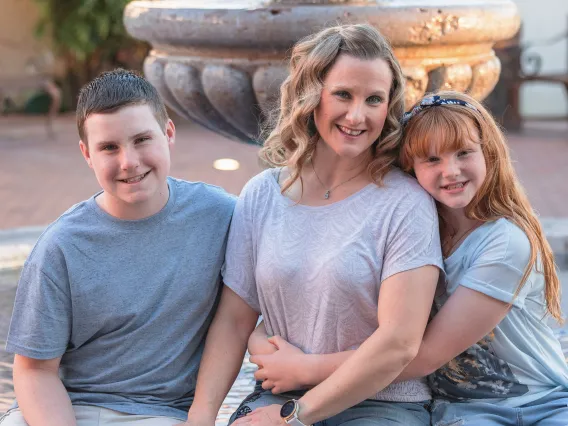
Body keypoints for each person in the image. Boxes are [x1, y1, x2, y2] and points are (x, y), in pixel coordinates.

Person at [246, 90, 568, 426]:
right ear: (410, 167)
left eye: (463, 153)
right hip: (464, 412)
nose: (451, 171)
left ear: (488, 153)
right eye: (432, 159)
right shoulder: (411, 227)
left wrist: (306, 369)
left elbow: (422, 356)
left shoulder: (505, 245)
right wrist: (260, 338)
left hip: (541, 402)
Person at [182, 24, 443, 426]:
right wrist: (201, 417)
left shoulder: (405, 203)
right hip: (279, 393)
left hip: (381, 404)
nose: (357, 115)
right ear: (310, 96)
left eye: (374, 99)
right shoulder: (263, 194)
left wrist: (294, 417)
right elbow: (234, 321)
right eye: (343, 94)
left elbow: (398, 344)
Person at [1, 69, 236, 426]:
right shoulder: (62, 245)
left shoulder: (220, 216)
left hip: (157, 414)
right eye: (109, 147)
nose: (128, 161)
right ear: (87, 154)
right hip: (64, 409)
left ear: (168, 133)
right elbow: (35, 371)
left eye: (142, 139)